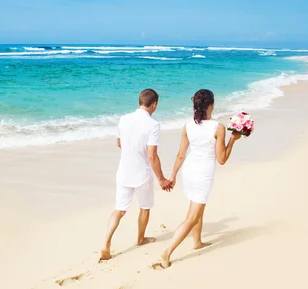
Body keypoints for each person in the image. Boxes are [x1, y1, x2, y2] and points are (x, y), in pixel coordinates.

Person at [160, 89, 241, 268]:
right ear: (211, 105)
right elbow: (221, 159)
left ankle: (197, 242)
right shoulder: (218, 128)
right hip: (203, 174)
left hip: (188, 171)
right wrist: (233, 140)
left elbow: (181, 154)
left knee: (197, 209)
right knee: (192, 217)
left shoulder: (188, 126)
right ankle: (167, 252)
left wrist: (173, 175)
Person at [100, 89, 173, 262]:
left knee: (119, 210)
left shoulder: (123, 119)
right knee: (145, 207)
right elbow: (152, 155)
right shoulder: (153, 125)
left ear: (140, 101)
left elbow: (119, 143)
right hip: (142, 173)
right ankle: (140, 239)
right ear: (154, 104)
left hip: (124, 171)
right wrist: (162, 179)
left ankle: (106, 243)